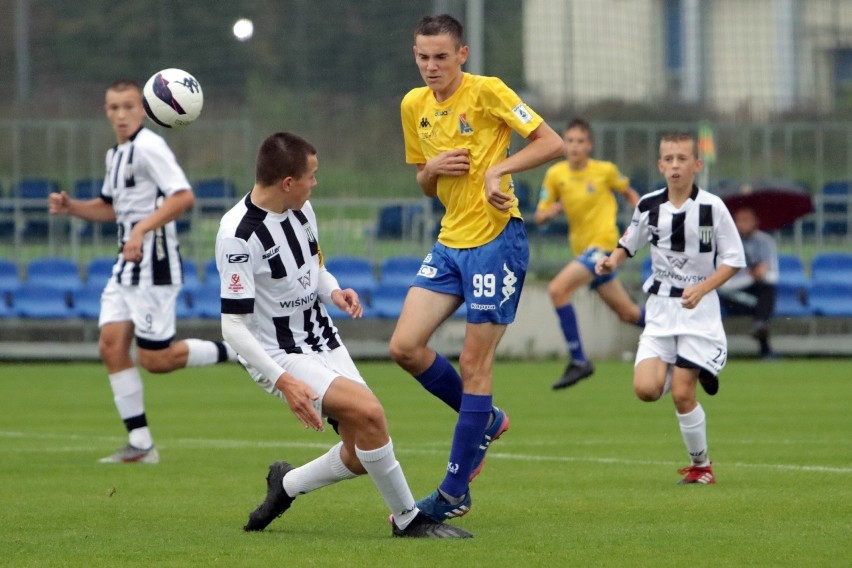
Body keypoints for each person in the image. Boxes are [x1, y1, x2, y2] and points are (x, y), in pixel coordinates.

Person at [217, 132, 470, 539]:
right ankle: (409, 519)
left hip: (322, 337)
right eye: (311, 176)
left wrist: (332, 290)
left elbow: (314, 267)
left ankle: (285, 485)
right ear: (287, 182)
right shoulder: (237, 235)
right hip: (278, 353)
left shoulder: (301, 209)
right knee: (371, 412)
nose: (315, 184)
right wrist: (283, 381)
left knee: (360, 449)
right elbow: (233, 325)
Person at [391, 14, 563, 523]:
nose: (430, 66)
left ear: (461, 55)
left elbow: (549, 142)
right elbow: (424, 183)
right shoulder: (413, 105)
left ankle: (451, 493)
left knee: (474, 363)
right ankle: (485, 419)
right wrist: (431, 170)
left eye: (441, 56)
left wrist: (499, 169)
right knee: (403, 347)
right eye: (422, 56)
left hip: (495, 241)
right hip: (449, 243)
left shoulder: (487, 92)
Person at [48, 79, 237, 464]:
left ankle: (240, 351)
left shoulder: (150, 146)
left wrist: (141, 229)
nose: (120, 114)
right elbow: (110, 207)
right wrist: (72, 207)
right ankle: (141, 444)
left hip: (155, 263)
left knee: (155, 360)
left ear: (144, 109)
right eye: (113, 107)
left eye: (128, 107)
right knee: (111, 346)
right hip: (127, 264)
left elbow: (183, 196)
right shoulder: (116, 155)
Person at [595, 131, 745, 484]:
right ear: (660, 165)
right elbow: (628, 243)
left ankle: (702, 467)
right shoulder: (648, 205)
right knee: (646, 390)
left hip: (698, 311)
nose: (675, 165)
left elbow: (733, 260)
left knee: (681, 392)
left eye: (682, 159)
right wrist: (611, 262)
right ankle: (697, 366)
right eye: (669, 159)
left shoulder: (713, 207)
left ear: (696, 164)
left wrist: (703, 287)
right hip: (661, 311)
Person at [533, 117, 645, 390]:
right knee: (628, 314)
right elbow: (539, 216)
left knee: (558, 290)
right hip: (583, 252)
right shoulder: (556, 175)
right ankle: (681, 331)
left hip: (604, 247)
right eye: (569, 140)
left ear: (589, 145)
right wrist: (549, 213)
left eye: (580, 141)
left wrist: (645, 214)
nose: (574, 146)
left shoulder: (604, 171)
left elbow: (630, 194)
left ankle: (579, 360)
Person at [718, 206, 779, 359]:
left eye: (746, 220)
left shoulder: (766, 242)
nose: (741, 224)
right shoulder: (725, 244)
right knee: (762, 307)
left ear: (755, 221)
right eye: (738, 220)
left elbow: (773, 277)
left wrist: (761, 274)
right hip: (731, 295)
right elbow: (724, 285)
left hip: (757, 291)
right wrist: (751, 277)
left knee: (767, 290)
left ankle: (760, 327)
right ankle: (764, 346)